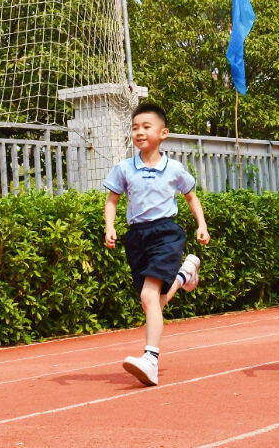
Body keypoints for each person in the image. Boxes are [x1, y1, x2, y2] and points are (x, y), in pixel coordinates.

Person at [103, 102, 209, 386]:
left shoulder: (173, 168)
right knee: (152, 302)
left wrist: (201, 224)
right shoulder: (124, 168)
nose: (139, 132)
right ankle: (185, 274)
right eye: (135, 127)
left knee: (150, 298)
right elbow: (112, 200)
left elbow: (190, 196)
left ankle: (150, 359)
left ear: (163, 133)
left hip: (166, 233)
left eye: (146, 127)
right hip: (137, 236)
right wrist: (110, 226)